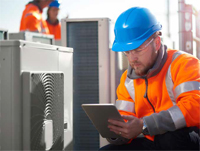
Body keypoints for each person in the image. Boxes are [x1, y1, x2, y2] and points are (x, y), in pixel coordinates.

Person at [100, 7, 200, 150]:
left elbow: (195, 108)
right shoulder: (127, 80)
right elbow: (125, 117)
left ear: (157, 43)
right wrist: (119, 132)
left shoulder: (183, 63)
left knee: (170, 138)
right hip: (150, 141)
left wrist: (145, 124)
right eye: (127, 52)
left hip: (185, 138)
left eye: (138, 49)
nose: (132, 58)